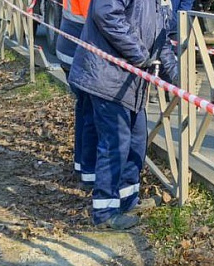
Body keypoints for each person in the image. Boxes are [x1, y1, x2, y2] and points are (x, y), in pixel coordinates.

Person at [68, 0, 179, 230]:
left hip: (131, 83)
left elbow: (162, 41)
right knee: (115, 143)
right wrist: (139, 54)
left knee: (137, 141)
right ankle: (105, 212)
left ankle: (127, 200)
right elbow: (105, 13)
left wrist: (177, 77)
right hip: (107, 77)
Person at [56, 0, 97, 189]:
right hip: (81, 54)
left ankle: (81, 165)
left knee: (83, 109)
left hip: (70, 48)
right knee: (92, 115)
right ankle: (89, 173)